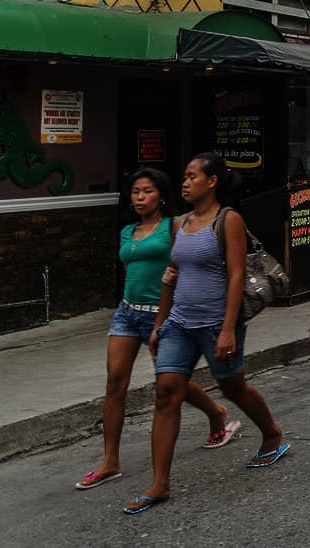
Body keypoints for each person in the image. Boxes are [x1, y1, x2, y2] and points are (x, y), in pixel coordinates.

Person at [125, 153, 287, 514]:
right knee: (167, 392)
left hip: (217, 323)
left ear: (212, 182)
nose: (184, 182)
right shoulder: (177, 224)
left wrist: (229, 328)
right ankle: (160, 484)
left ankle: (271, 433)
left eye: (192, 176)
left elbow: (235, 275)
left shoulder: (227, 220)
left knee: (232, 386)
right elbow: (171, 274)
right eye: (184, 176)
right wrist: (158, 326)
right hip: (180, 323)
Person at [76, 169, 238, 491]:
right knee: (114, 383)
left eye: (146, 192)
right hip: (127, 313)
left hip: (162, 315)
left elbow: (181, 266)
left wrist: (170, 311)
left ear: (160, 195)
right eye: (135, 192)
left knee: (171, 383)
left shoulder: (174, 227)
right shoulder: (126, 232)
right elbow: (130, 270)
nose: (139, 198)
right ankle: (110, 462)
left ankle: (216, 413)